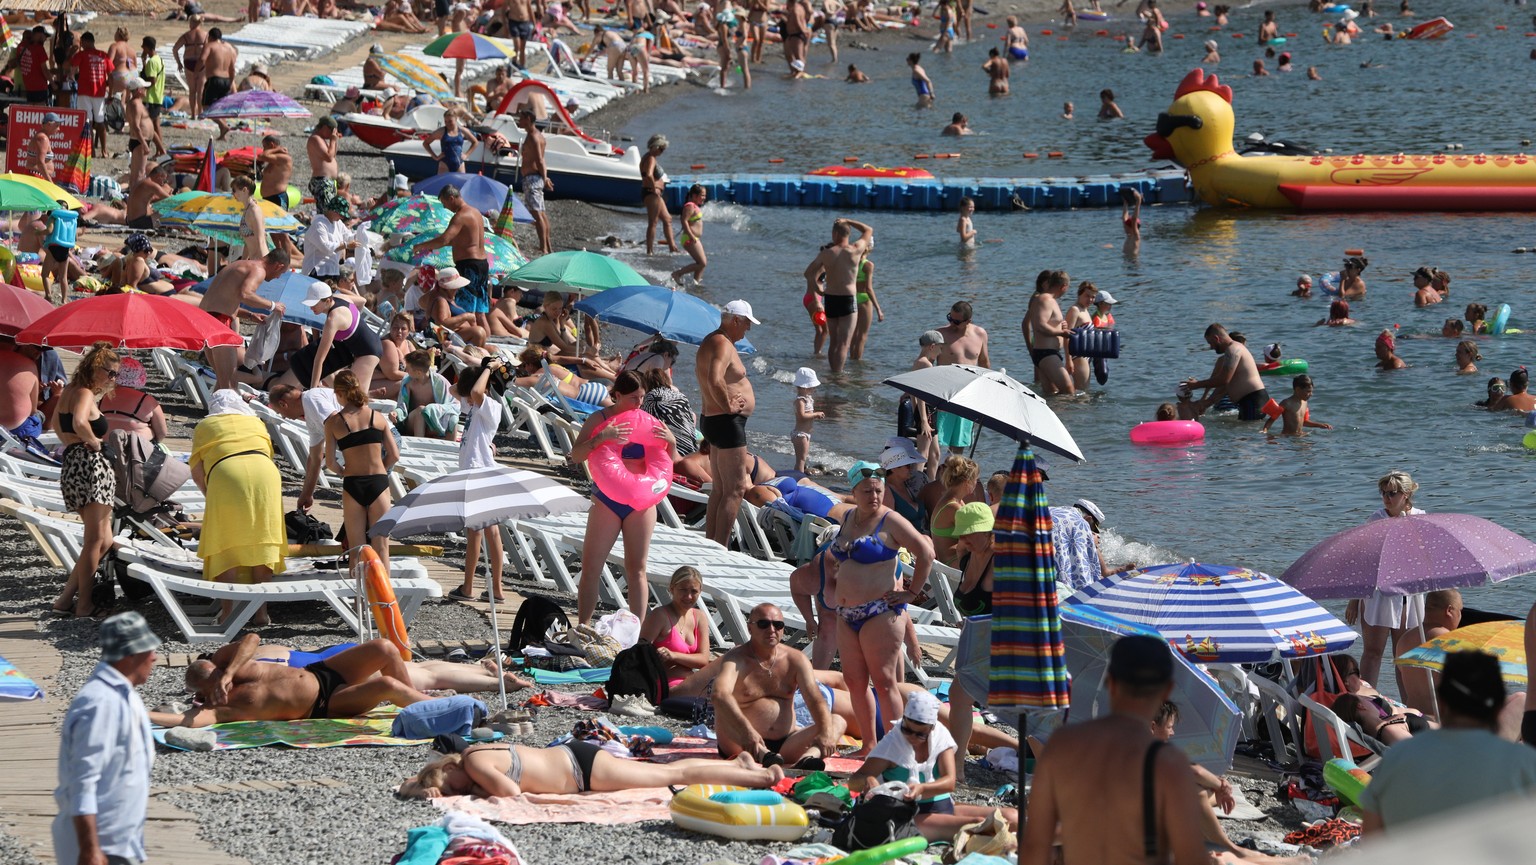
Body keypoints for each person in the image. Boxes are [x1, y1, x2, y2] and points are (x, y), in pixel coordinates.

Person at [1021, 636, 1210, 865]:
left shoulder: (1064, 744)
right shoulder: (1169, 763)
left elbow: (1034, 844)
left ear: (1110, 682)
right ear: (1167, 689)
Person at [1360, 651, 1536, 832]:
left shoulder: (1397, 759)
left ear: (1442, 703)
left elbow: (1372, 837)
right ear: (1498, 705)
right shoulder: (1523, 764)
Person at [836, 461, 933, 749]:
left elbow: (926, 553)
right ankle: (869, 744)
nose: (874, 496)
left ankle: (898, 748)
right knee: (854, 682)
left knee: (884, 682)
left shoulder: (890, 521)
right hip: (845, 613)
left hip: (880, 611)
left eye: (878, 490)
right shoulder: (849, 516)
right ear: (854, 490)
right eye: (867, 491)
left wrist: (912, 592)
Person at [569, 371, 678, 622]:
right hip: (607, 499)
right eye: (632, 398)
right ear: (617, 395)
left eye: (641, 397)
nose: (638, 403)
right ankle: (583, 625)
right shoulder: (600, 418)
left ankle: (636, 635)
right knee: (591, 567)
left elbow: (666, 468)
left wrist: (671, 443)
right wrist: (601, 438)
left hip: (641, 502)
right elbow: (575, 456)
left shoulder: (649, 421)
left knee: (637, 569)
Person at [53, 612, 159, 865]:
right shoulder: (100, 703)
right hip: (100, 848)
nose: (154, 656)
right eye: (149, 649)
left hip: (120, 842)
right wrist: (90, 850)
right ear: (130, 654)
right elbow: (83, 780)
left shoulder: (124, 692)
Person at [148, 639, 432, 727]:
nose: (224, 683)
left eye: (219, 675)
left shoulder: (231, 667)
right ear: (203, 694)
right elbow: (184, 720)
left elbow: (252, 639)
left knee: (384, 648)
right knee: (386, 688)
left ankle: (415, 696)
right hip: (324, 704)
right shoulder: (221, 708)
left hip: (321, 672)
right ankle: (442, 708)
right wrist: (140, 714)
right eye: (215, 683)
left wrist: (228, 671)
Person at [852, 691, 1018, 841]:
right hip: (905, 815)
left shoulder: (940, 737)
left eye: (920, 734)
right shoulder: (893, 742)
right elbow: (855, 780)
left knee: (1012, 817)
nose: (912, 737)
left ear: (932, 728)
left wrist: (922, 789)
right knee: (980, 825)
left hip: (942, 806)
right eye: (907, 730)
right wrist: (869, 781)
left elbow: (949, 782)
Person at [403, 739, 784, 799]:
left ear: (448, 771)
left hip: (582, 771)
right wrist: (419, 789)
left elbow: (512, 794)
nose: (457, 792)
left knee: (673, 776)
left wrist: (469, 794)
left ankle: (760, 777)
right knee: (666, 771)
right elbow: (409, 782)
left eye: (451, 788)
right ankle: (737, 763)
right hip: (575, 758)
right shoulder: (471, 754)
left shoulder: (473, 764)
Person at [190, 390, 286, 625]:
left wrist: (211, 494)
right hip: (265, 474)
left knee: (226, 542)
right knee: (263, 537)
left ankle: (228, 612)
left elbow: (197, 471)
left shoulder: (206, 425)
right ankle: (261, 612)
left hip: (227, 473)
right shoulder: (255, 422)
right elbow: (268, 454)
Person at [713, 602, 846, 767]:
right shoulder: (736, 659)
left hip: (786, 743)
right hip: (742, 741)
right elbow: (719, 694)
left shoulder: (795, 659)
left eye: (778, 625)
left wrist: (825, 732)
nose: (771, 630)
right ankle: (762, 755)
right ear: (750, 628)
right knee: (723, 710)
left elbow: (814, 698)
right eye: (763, 624)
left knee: (837, 721)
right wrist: (747, 732)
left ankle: (808, 758)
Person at [51, 343, 120, 619]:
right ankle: (84, 606)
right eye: (110, 373)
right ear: (95, 368)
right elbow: (80, 422)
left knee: (104, 540)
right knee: (95, 540)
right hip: (91, 467)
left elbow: (57, 424)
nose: (112, 379)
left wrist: (73, 444)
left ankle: (66, 599)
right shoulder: (83, 393)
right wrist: (94, 442)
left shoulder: (69, 391)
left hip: (73, 464)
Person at [1346, 471, 1426, 693]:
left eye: (1392, 493)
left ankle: (1409, 705)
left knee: (1403, 657)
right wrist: (1354, 600)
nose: (1386, 498)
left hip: (1409, 595)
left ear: (1406, 494)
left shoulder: (1420, 518)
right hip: (1377, 594)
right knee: (1373, 652)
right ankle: (1366, 700)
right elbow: (1364, 562)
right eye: (1383, 493)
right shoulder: (1376, 520)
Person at [323, 370, 398, 571]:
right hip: (378, 483)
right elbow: (395, 455)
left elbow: (330, 462)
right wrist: (381, 467)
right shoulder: (377, 417)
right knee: (381, 547)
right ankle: (384, 601)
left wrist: (343, 472)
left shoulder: (334, 422)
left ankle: (357, 602)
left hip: (353, 482)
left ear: (339, 393)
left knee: (356, 549)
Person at [697, 301, 758, 546]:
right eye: (747, 323)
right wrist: (728, 406)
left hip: (713, 420)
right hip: (725, 422)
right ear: (735, 320)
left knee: (720, 490)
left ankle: (710, 544)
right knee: (735, 489)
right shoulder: (722, 343)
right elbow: (714, 378)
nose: (748, 330)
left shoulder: (711, 340)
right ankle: (720, 547)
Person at [451, 356, 508, 602]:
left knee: (476, 532)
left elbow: (474, 389)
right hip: (478, 471)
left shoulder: (490, 406)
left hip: (478, 472)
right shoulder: (474, 406)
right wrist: (485, 368)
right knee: (491, 532)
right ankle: (496, 589)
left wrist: (487, 369)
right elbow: (454, 389)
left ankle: (468, 587)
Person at [412, 185, 490, 339]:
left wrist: (421, 246)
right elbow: (462, 241)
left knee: (464, 311)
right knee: (480, 313)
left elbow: (444, 239)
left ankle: (469, 344)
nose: (445, 207)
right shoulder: (475, 213)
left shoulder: (460, 216)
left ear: (451, 198)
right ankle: (486, 344)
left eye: (444, 203)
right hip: (482, 265)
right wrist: (431, 247)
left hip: (469, 266)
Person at [278, 281, 382, 394]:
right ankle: (369, 394)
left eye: (314, 304)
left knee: (354, 397)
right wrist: (356, 320)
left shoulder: (333, 319)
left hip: (368, 353)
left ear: (327, 301)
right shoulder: (341, 298)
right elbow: (362, 301)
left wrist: (312, 390)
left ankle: (368, 396)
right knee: (352, 394)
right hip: (370, 343)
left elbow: (319, 359)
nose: (311, 308)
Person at [805, 217, 874, 375]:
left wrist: (819, 290)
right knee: (844, 343)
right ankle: (838, 374)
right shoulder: (856, 249)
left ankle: (832, 372)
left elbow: (808, 274)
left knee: (833, 341)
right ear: (848, 234)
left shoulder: (827, 254)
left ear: (835, 234)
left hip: (830, 298)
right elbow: (868, 230)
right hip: (847, 299)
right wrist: (848, 220)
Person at [639, 566, 712, 687]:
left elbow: (703, 660)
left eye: (693, 591)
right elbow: (639, 656)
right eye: (683, 590)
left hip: (689, 680)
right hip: (662, 682)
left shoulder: (699, 617)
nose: (688, 596)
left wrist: (673, 656)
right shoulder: (660, 616)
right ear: (672, 589)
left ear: (700, 591)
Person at [1180, 323, 1270, 421]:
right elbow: (1224, 386)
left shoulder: (1233, 349)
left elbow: (1224, 380)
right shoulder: (1231, 350)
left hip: (1253, 401)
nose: (1211, 347)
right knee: (1243, 434)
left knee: (1248, 434)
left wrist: (1197, 385)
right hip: (1249, 402)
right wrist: (1207, 403)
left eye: (1210, 343)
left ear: (1216, 338)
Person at [1025, 271, 1075, 397]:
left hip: (1048, 353)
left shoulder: (1050, 300)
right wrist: (1061, 333)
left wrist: (1061, 325)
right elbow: (1040, 326)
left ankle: (1059, 416)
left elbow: (1048, 322)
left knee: (1052, 395)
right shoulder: (1045, 299)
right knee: (1069, 391)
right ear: (1064, 286)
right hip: (1046, 353)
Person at [928, 455, 980, 565]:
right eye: (976, 480)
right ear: (967, 482)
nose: (977, 483)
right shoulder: (953, 507)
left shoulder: (954, 501)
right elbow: (975, 538)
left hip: (952, 561)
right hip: (952, 564)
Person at [515, 109, 554, 255]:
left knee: (537, 214)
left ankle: (543, 248)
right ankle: (547, 247)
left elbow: (539, 159)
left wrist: (545, 179)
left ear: (528, 119)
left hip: (532, 178)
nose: (519, 121)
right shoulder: (537, 135)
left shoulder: (533, 137)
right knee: (541, 213)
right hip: (533, 178)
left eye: (521, 118)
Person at [69, 32, 111, 152]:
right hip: (100, 92)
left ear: (87, 42)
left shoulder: (81, 55)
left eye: (82, 43)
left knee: (88, 121)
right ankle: (104, 150)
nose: (81, 45)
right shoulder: (103, 55)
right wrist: (111, 93)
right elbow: (111, 76)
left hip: (84, 92)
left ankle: (91, 149)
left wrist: (72, 53)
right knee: (100, 121)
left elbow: (72, 69)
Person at [640, 134, 678, 256]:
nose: (662, 152)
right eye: (661, 149)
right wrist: (654, 188)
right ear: (655, 147)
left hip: (653, 193)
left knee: (668, 219)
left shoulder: (647, 157)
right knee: (653, 222)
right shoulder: (650, 158)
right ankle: (649, 251)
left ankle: (673, 248)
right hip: (652, 193)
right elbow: (649, 174)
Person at [1261, 374, 1332, 436]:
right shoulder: (1286, 403)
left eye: (1311, 391)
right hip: (1288, 437)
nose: (1311, 394)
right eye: (1308, 391)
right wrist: (1264, 431)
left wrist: (1319, 425)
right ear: (1297, 390)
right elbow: (1272, 419)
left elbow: (1304, 422)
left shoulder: (1305, 403)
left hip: (1299, 435)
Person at [670, 184, 709, 286]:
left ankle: (696, 283)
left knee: (701, 263)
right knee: (702, 263)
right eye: (702, 195)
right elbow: (684, 221)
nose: (704, 198)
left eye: (705, 195)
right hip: (689, 238)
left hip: (694, 237)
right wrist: (691, 236)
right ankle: (677, 274)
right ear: (695, 195)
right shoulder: (690, 206)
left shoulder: (694, 206)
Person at [202, 28, 237, 138]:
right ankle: (223, 132)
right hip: (226, 80)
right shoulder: (229, 48)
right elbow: (232, 69)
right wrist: (231, 82)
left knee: (206, 107)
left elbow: (202, 59)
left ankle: (223, 125)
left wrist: (197, 70)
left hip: (214, 79)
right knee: (221, 107)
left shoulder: (210, 46)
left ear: (211, 37)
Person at [790, 367, 823, 474]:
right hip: (800, 434)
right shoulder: (800, 400)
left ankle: (798, 476)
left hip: (806, 434)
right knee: (801, 460)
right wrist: (816, 414)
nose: (814, 389)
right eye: (812, 387)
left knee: (802, 459)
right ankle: (799, 479)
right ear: (805, 387)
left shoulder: (807, 398)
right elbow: (802, 416)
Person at [174, 14, 208, 118]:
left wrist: (179, 63)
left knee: (192, 91)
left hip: (189, 63)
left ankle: (193, 114)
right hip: (201, 63)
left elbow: (175, 49)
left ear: (192, 23)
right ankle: (201, 114)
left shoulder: (187, 35)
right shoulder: (205, 35)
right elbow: (209, 50)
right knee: (200, 91)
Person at [307, 115, 341, 208]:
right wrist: (333, 140)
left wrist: (334, 140)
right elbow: (329, 157)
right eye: (332, 131)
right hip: (321, 181)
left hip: (327, 181)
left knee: (330, 210)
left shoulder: (322, 140)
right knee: (326, 211)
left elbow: (333, 155)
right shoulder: (315, 138)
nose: (332, 134)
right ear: (325, 127)